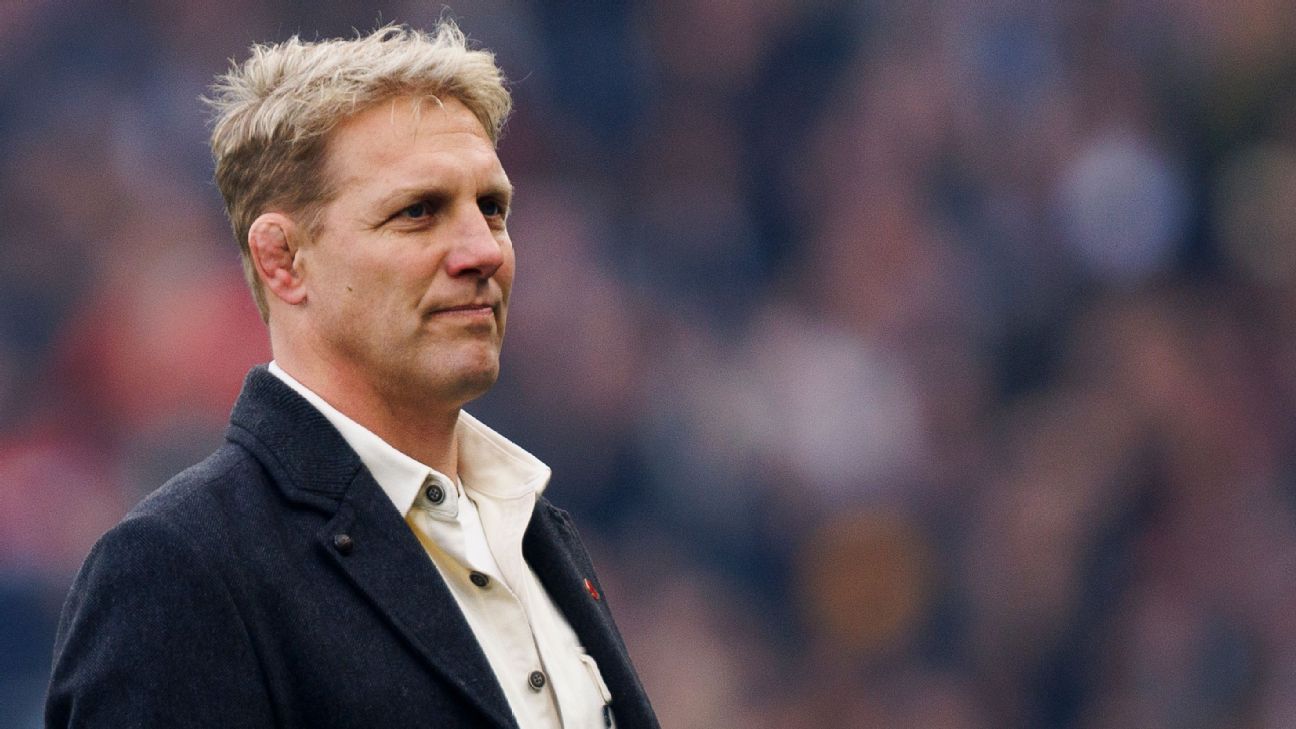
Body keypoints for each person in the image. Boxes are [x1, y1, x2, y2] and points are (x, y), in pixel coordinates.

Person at [46, 22, 658, 729]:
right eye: (418, 212)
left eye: (492, 208)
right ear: (282, 260)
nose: (484, 250)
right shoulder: (180, 567)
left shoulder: (536, 530)